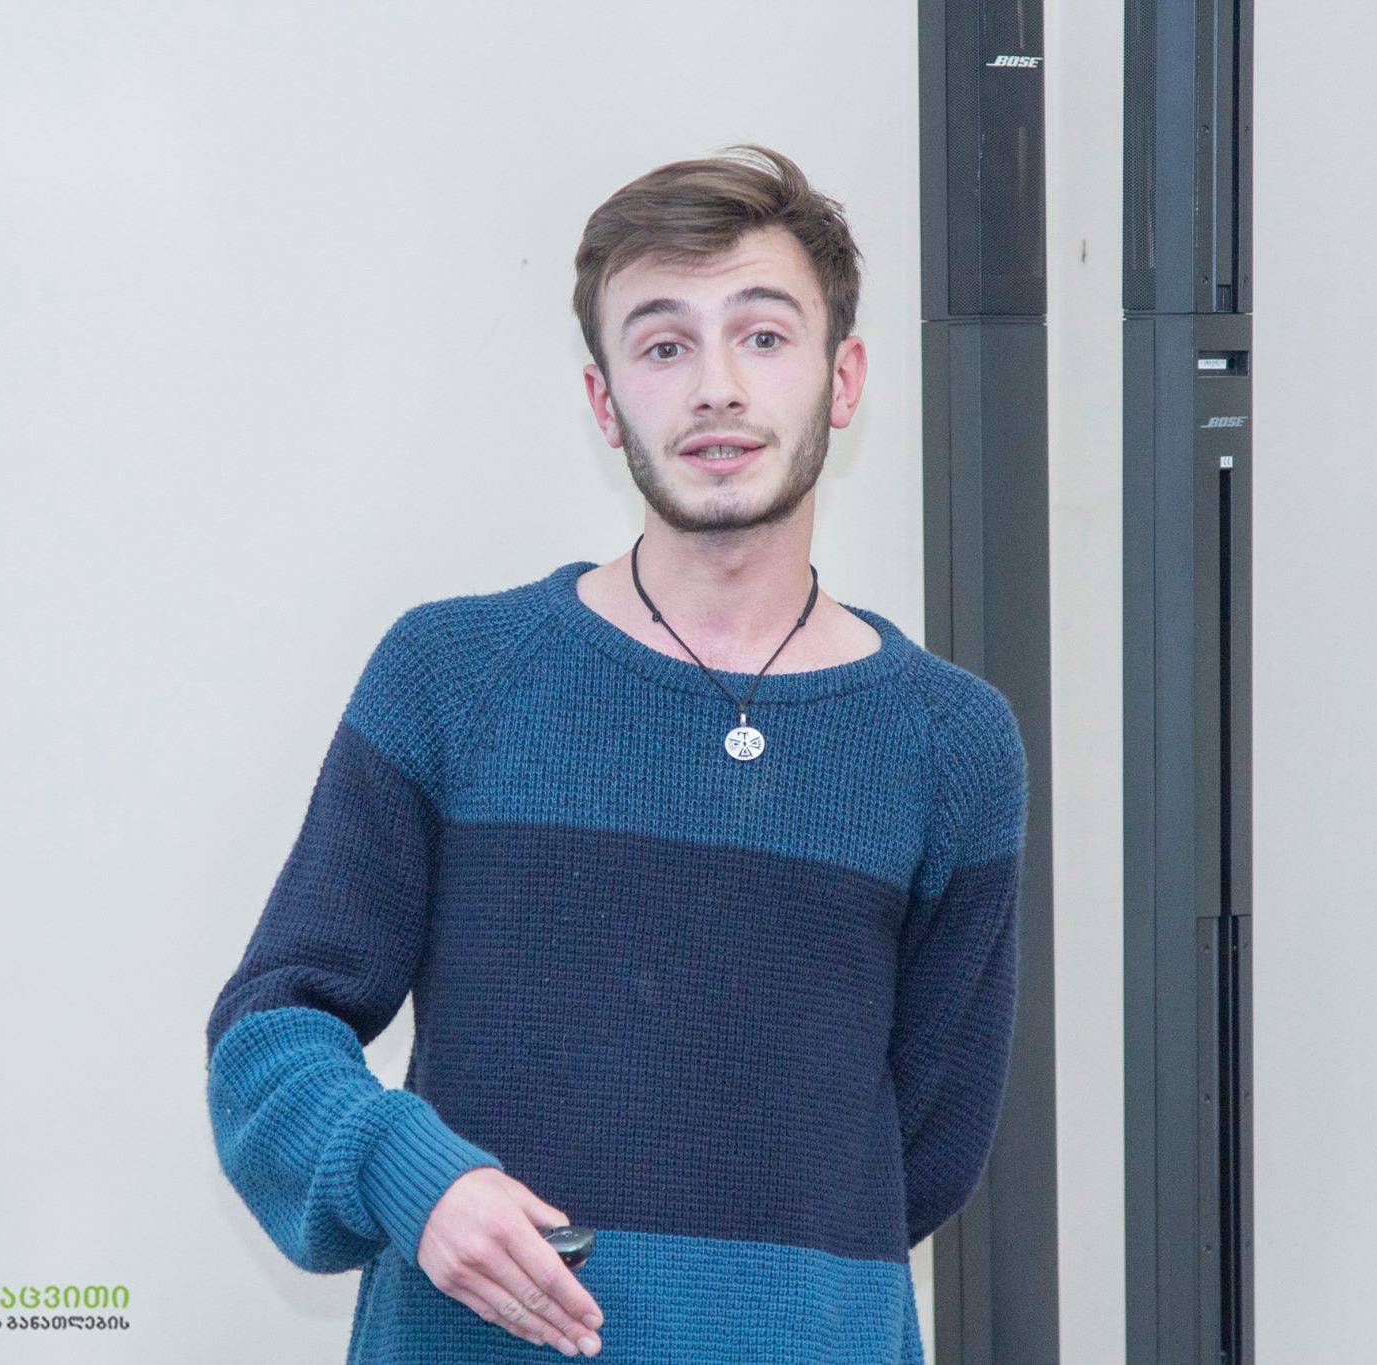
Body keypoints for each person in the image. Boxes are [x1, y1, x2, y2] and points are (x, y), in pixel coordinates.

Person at [204, 144, 1030, 1364]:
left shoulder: (950, 744)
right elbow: (267, 1035)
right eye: (662, 346)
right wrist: (412, 1178)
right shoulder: (451, 676)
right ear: (603, 403)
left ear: (841, 379)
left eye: (762, 336)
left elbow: (918, 1152)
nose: (714, 389)